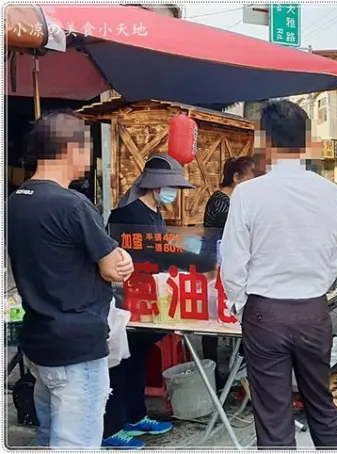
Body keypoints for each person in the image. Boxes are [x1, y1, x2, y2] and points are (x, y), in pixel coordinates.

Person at [221, 100, 337, 448]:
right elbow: (334, 255)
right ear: (306, 140)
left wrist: (240, 304)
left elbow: (234, 261)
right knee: (322, 405)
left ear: (264, 140)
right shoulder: (332, 193)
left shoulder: (248, 193)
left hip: (265, 313)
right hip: (313, 310)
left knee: (273, 415)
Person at [6, 110, 134, 448]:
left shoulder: (14, 202)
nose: (90, 160)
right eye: (87, 149)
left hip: (39, 343)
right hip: (77, 347)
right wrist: (122, 258)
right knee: (76, 443)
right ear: (70, 149)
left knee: (51, 437)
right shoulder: (72, 205)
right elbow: (112, 268)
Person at [103, 154, 205, 449]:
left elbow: (164, 247)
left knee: (139, 359)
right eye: (171, 187)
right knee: (121, 363)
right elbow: (149, 253)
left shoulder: (154, 214)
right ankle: (111, 427)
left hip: (150, 299)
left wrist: (195, 252)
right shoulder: (128, 214)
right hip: (128, 300)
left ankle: (135, 416)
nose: (173, 194)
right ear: (157, 187)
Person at [201, 156, 256, 381]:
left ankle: (232, 367)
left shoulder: (230, 200)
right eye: (251, 178)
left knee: (223, 315)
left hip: (223, 262)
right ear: (236, 177)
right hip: (215, 265)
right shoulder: (222, 202)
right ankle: (215, 371)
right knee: (214, 319)